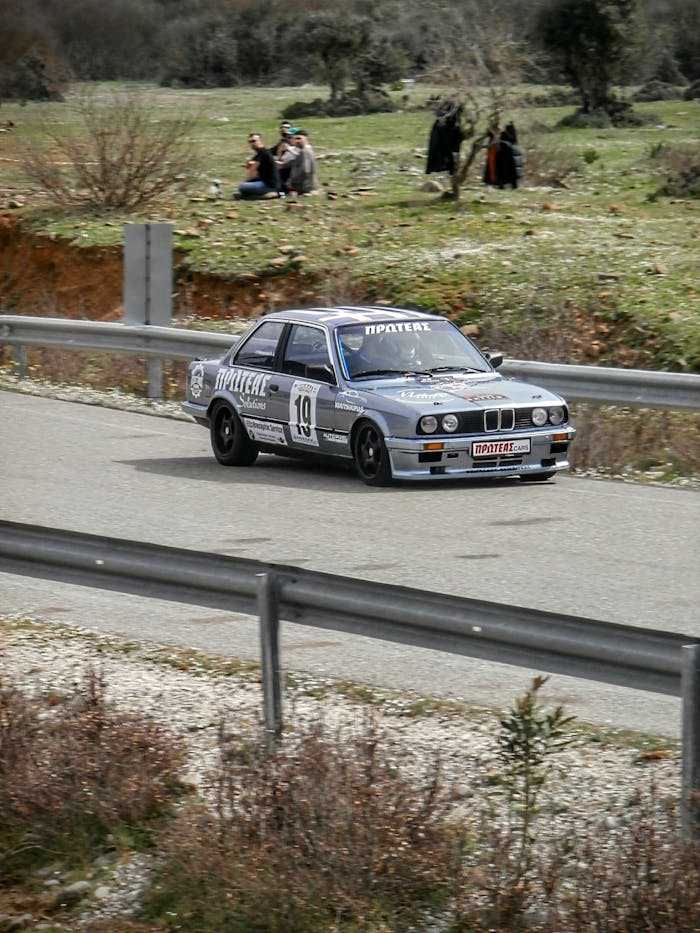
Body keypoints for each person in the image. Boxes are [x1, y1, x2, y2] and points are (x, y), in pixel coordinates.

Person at [234, 133, 281, 200]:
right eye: (250, 142)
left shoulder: (263, 153)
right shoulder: (261, 153)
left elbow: (252, 171)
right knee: (245, 188)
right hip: (267, 182)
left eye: (254, 141)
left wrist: (245, 182)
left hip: (269, 185)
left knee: (242, 187)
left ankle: (268, 194)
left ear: (260, 141)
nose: (252, 143)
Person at [285, 131, 318, 195]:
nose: (296, 141)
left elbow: (305, 170)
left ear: (305, 139)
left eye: (299, 139)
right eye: (295, 139)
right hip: (305, 184)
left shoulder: (305, 152)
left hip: (304, 186)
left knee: (280, 189)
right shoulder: (303, 151)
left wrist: (292, 182)